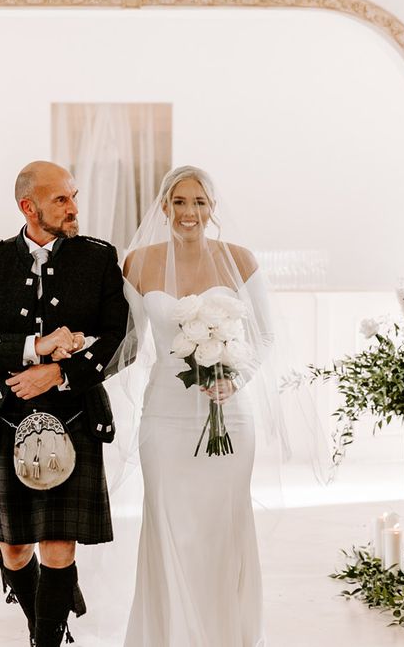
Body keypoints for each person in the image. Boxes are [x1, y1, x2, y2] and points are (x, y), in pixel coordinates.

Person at [0, 161, 129, 647]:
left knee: (57, 544)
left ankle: (45, 638)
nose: (73, 208)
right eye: (61, 200)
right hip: (5, 419)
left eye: (73, 196)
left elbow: (117, 337)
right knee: (13, 547)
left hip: (73, 416)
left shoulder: (97, 259)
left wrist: (61, 371)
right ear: (28, 207)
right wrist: (35, 347)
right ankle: (48, 613)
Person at [118, 165, 280, 646]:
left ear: (213, 208)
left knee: (222, 527)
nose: (190, 213)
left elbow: (265, 335)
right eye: (181, 202)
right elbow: (127, 342)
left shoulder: (241, 260)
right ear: (165, 206)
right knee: (167, 523)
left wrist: (236, 378)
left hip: (229, 414)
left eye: (200, 202)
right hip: (164, 416)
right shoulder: (137, 263)